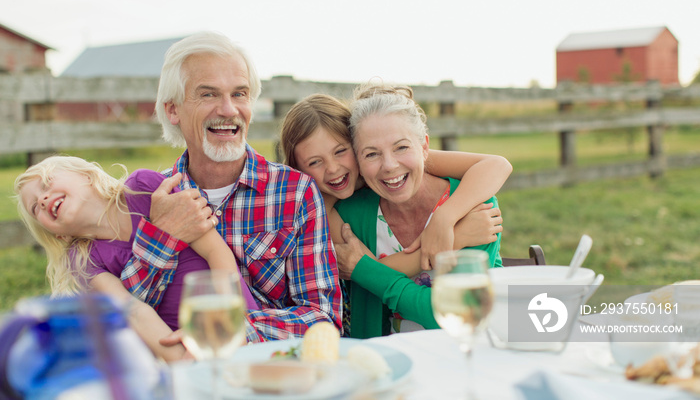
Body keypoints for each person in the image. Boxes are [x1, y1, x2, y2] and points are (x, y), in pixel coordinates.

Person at [121, 32, 342, 344]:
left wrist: (236, 330)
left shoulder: (294, 192)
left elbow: (325, 320)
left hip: (270, 373)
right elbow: (124, 314)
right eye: (208, 95)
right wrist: (163, 235)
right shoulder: (152, 196)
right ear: (173, 110)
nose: (228, 110)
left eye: (239, 94)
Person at [280, 91, 507, 337]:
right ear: (360, 155)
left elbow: (454, 314)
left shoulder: (472, 203)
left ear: (424, 147)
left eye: (401, 147)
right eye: (371, 153)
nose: (389, 165)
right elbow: (367, 272)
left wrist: (444, 220)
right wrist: (454, 240)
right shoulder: (340, 214)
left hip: (469, 351)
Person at [14, 155, 257, 361]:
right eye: (35, 207)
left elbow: (215, 250)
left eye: (47, 183)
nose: (43, 200)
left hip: (233, 314)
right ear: (57, 235)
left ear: (87, 175)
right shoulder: (83, 260)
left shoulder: (144, 189)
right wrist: (183, 363)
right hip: (182, 345)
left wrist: (228, 320)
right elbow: (134, 312)